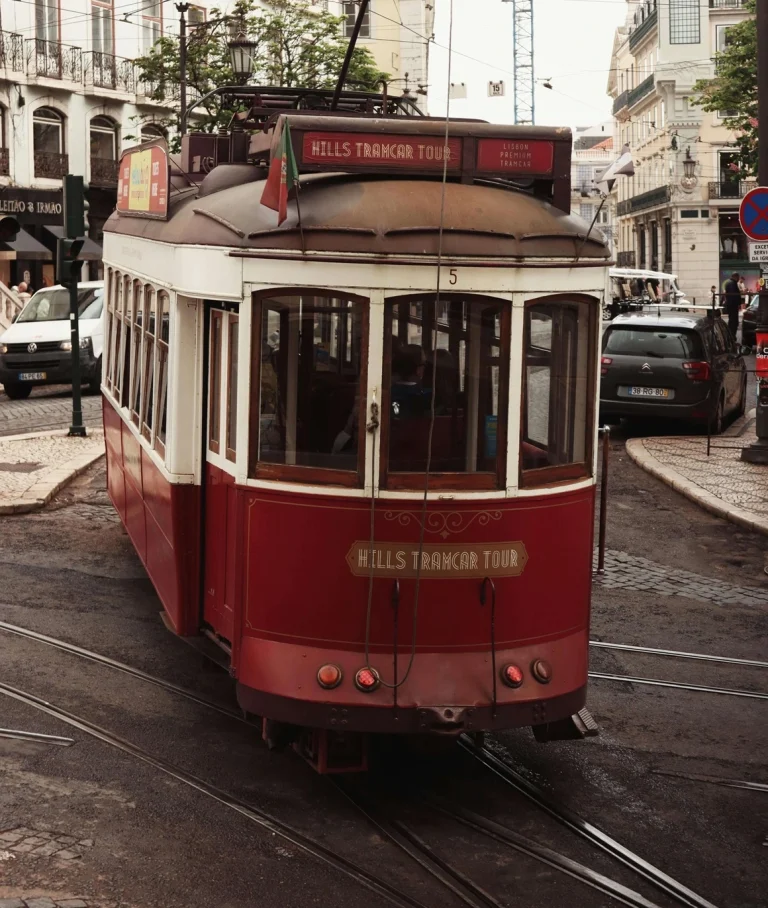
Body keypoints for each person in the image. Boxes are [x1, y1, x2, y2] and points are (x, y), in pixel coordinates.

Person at [723, 272, 743, 338]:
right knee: (733, 321)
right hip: (732, 305)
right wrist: (738, 303)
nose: (738, 279)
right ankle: (731, 336)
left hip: (731, 305)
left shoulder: (730, 282)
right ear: (735, 277)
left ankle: (731, 336)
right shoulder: (732, 283)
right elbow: (733, 295)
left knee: (732, 321)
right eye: (738, 277)